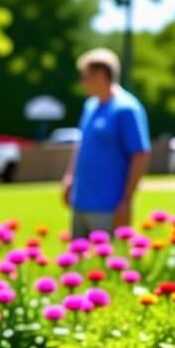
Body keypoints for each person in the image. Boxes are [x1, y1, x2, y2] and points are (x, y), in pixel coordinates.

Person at [62, 48, 151, 239]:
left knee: (106, 265)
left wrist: (126, 201)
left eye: (85, 76)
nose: (82, 82)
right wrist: (69, 178)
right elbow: (81, 145)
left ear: (101, 75)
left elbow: (140, 155)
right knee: (80, 264)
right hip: (81, 201)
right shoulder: (90, 106)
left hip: (108, 206)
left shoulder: (127, 109)